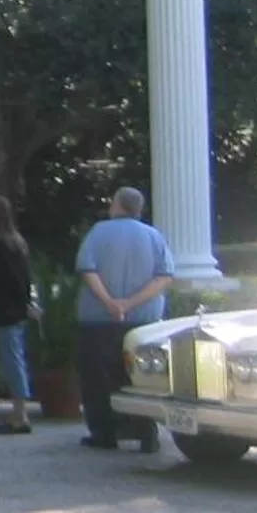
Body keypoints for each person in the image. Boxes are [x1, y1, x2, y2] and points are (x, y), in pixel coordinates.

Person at [73, 186, 175, 452]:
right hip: (145, 321)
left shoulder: (98, 232)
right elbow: (164, 277)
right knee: (142, 378)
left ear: (117, 205)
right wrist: (130, 303)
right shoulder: (154, 236)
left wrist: (110, 303)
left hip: (98, 319)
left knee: (98, 377)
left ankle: (104, 433)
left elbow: (87, 269)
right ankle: (146, 432)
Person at [0, 194, 37, 436]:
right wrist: (28, 303)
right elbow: (24, 278)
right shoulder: (18, 242)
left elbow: (3, 279)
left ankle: (20, 415)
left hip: (5, 309)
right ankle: (18, 412)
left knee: (12, 360)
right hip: (18, 309)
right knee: (17, 358)